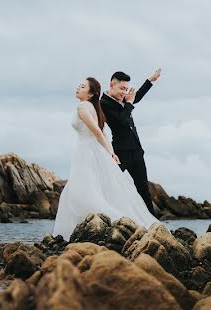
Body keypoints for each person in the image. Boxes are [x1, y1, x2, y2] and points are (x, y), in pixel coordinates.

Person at [53, 77, 158, 240]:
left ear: (90, 94)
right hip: (94, 150)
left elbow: (97, 132)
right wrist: (109, 151)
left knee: (86, 191)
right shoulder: (96, 106)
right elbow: (100, 132)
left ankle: (104, 222)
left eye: (82, 86)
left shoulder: (83, 107)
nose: (78, 88)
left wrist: (110, 152)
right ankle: (95, 225)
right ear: (112, 85)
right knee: (103, 188)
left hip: (88, 152)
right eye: (79, 85)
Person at [100, 68, 161, 215]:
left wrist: (150, 80)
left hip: (136, 151)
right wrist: (129, 103)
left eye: (126, 89)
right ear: (111, 85)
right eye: (122, 88)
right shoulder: (104, 103)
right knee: (111, 186)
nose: (124, 92)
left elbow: (135, 98)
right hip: (120, 152)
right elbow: (121, 120)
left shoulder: (124, 99)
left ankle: (152, 223)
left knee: (143, 189)